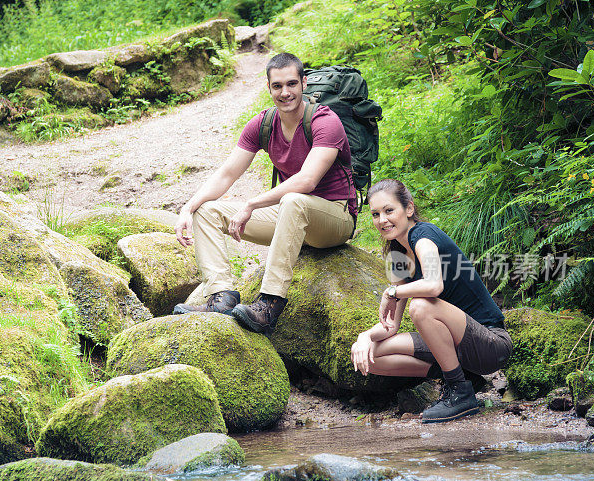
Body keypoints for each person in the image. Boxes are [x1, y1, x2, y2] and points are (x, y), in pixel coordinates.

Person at [172, 53, 357, 335]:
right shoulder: (264, 124)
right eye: (277, 86)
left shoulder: (325, 121)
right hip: (293, 217)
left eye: (292, 84)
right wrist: (188, 208)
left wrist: (252, 204)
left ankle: (269, 304)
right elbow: (227, 174)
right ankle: (221, 297)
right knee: (208, 211)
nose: (285, 92)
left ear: (304, 83)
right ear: (269, 88)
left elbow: (307, 180)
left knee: (293, 200)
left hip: (334, 218)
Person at [351, 179, 512, 423]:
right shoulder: (397, 255)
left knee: (421, 305)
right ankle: (463, 377)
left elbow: (434, 285)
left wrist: (391, 292)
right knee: (372, 355)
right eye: (375, 214)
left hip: (490, 343)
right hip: (455, 345)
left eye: (389, 210)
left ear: (409, 209)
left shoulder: (423, 236)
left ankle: (459, 393)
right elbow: (391, 326)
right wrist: (364, 337)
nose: (382, 219)